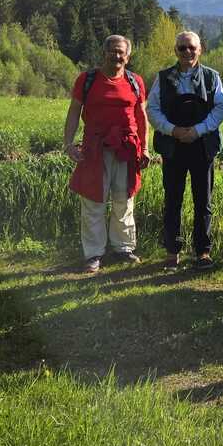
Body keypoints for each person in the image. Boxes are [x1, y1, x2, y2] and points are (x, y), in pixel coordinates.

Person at [63, 35, 150, 273]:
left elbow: (141, 116)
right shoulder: (87, 80)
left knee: (124, 200)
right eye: (113, 51)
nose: (117, 56)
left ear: (128, 57)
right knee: (93, 201)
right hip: (94, 148)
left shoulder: (135, 81)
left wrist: (144, 147)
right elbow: (74, 111)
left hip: (126, 149)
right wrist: (68, 144)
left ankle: (124, 249)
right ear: (104, 53)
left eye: (121, 52)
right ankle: (93, 254)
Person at [147, 31, 223, 271]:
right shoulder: (162, 77)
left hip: (202, 145)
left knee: (203, 200)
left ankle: (203, 252)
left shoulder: (212, 77)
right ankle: (172, 252)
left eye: (192, 47)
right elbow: (152, 109)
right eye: (182, 48)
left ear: (200, 49)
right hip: (173, 146)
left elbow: (220, 108)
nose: (187, 52)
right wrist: (172, 130)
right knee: (173, 199)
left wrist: (198, 130)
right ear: (176, 51)